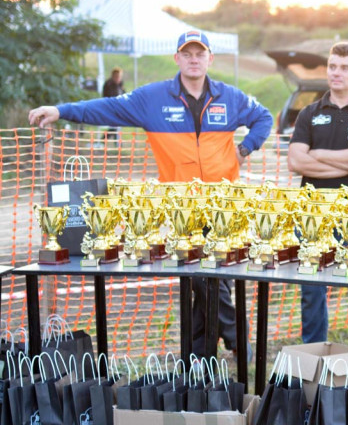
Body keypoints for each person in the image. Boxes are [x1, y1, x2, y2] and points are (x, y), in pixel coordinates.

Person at [28, 30, 273, 361]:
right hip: (179, 207)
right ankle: (236, 345)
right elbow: (106, 107)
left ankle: (199, 353)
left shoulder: (230, 97)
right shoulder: (152, 98)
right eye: (187, 53)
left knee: (208, 277)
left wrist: (246, 147)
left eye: (200, 53)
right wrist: (60, 110)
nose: (194, 59)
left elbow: (264, 117)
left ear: (210, 59)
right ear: (177, 59)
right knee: (204, 275)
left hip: (223, 205)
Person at [286, 42, 348, 348]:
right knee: (311, 291)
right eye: (332, 66)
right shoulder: (309, 112)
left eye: (344, 67)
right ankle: (312, 356)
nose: (336, 73)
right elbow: (295, 161)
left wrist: (318, 157)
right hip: (313, 214)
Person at [101, 67, 125, 141]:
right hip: (110, 108)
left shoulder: (120, 85)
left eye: (119, 77)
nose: (118, 78)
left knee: (116, 125)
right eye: (117, 76)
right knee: (115, 125)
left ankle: (107, 140)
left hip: (119, 109)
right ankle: (105, 140)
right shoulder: (108, 85)